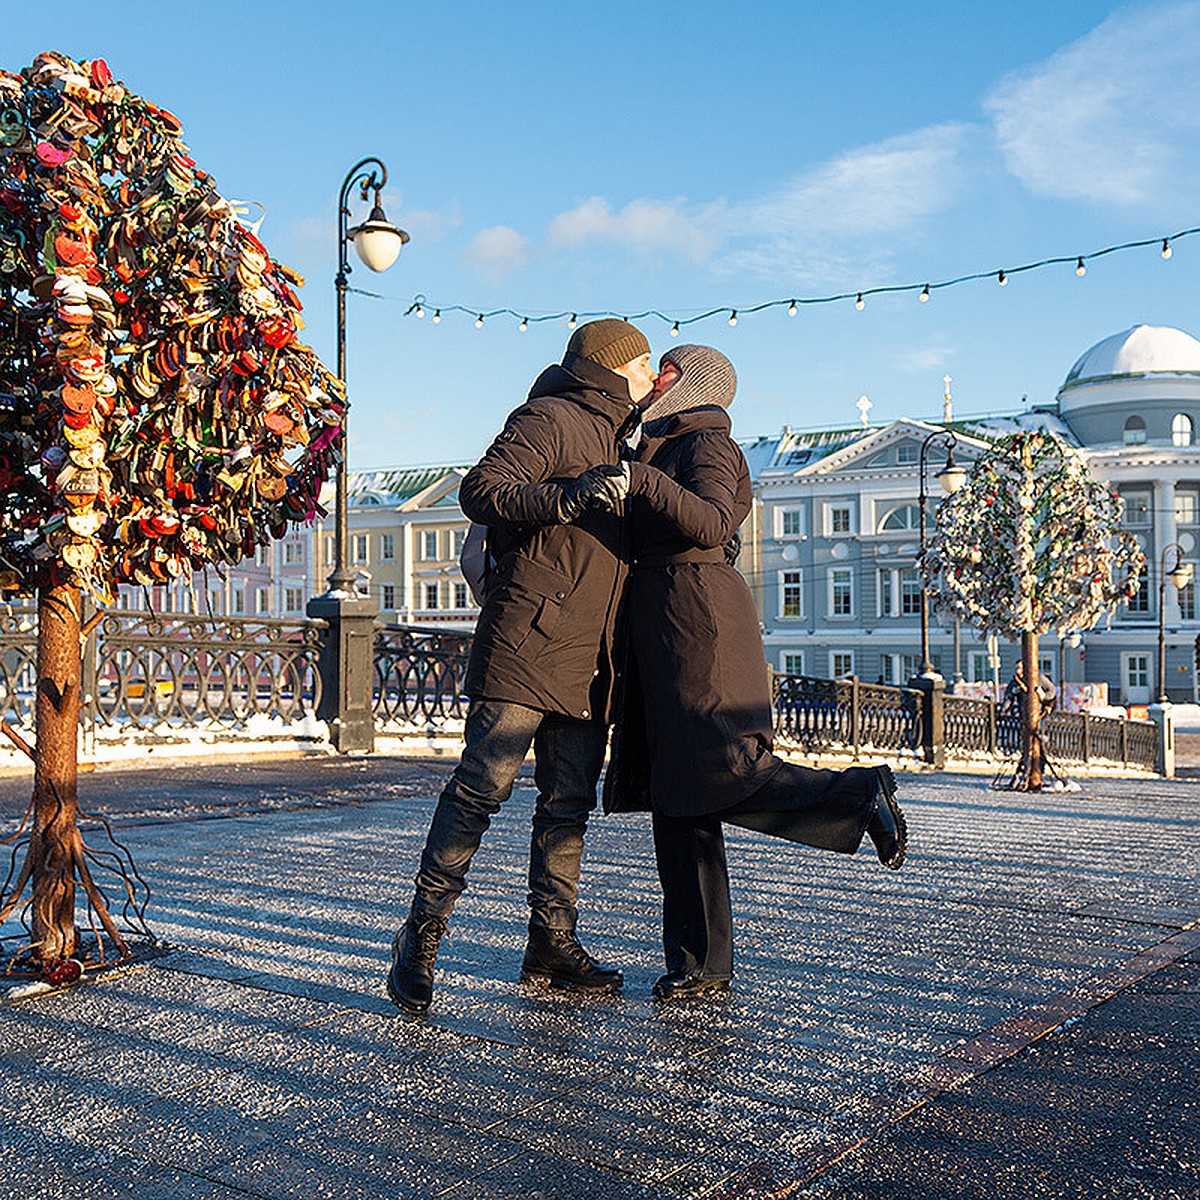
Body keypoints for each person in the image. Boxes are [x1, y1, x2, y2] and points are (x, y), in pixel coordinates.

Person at [603, 344, 907, 1002]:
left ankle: (859, 792)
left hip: (698, 623)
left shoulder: (707, 442)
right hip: (663, 624)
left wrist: (638, 479)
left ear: (697, 385)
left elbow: (714, 521)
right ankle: (700, 963)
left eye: (668, 371)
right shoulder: (655, 441)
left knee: (723, 771)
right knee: (678, 799)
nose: (655, 379)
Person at [387, 319, 655, 1015]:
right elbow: (482, 490)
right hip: (529, 639)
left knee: (566, 805)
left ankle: (551, 944)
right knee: (481, 788)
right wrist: (565, 496)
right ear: (610, 367)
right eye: (645, 362)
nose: (653, 374)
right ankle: (421, 937)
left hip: (591, 657)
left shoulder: (625, 441)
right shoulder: (552, 417)